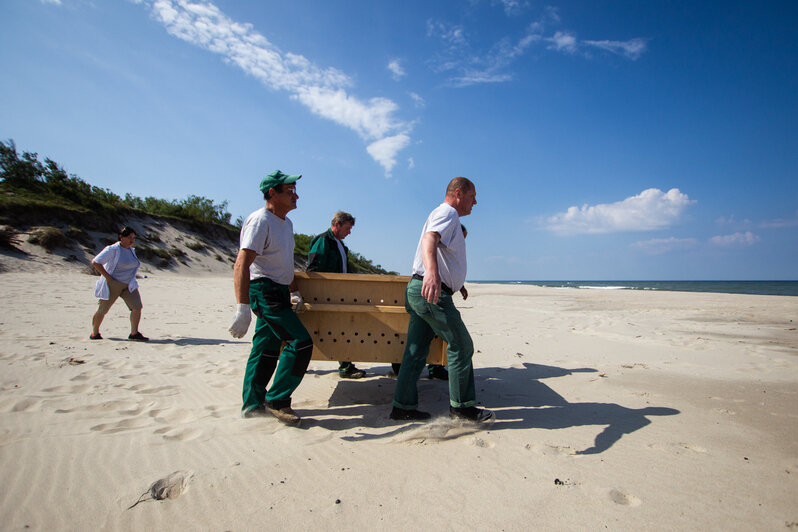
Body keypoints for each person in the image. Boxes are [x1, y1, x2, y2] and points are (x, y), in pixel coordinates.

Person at [390, 177, 493, 423]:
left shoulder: (446, 215)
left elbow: (444, 253)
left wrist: (457, 281)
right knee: (461, 345)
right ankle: (462, 408)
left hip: (420, 289)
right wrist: (434, 275)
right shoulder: (448, 212)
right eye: (472, 196)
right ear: (458, 193)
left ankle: (402, 406)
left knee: (415, 352)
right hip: (431, 292)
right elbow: (429, 240)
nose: (475, 202)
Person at [229, 169, 313, 425]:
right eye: (289, 192)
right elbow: (241, 264)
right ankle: (277, 399)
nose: (296, 196)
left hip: (278, 290)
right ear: (272, 193)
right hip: (263, 291)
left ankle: (252, 406)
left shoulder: (286, 223)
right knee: (300, 343)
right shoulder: (260, 221)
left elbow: (285, 262)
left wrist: (294, 289)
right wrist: (242, 308)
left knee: (265, 349)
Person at [306, 211, 369, 379]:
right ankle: (345, 367)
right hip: (325, 296)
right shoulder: (323, 241)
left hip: (339, 295)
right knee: (329, 331)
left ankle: (346, 365)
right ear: (336, 224)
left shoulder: (341, 245)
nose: (349, 232)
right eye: (347, 228)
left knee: (342, 330)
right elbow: (313, 270)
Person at [90, 226, 149, 341]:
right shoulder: (112, 249)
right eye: (129, 237)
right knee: (103, 309)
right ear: (121, 237)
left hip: (129, 284)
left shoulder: (131, 251)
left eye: (133, 238)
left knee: (137, 307)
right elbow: (96, 262)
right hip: (114, 283)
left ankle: (134, 333)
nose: (132, 240)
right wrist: (108, 278)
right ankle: (95, 332)